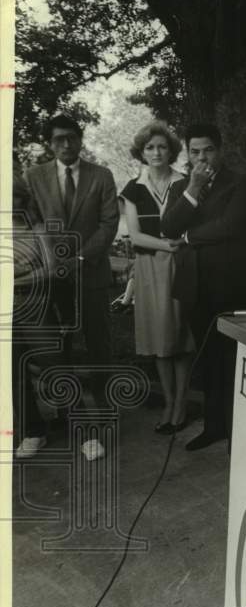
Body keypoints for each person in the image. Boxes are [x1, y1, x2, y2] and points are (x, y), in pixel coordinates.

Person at [160, 122, 246, 452]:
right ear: (187, 154)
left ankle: (240, 431)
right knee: (207, 359)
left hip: (232, 284)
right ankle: (214, 426)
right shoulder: (181, 188)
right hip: (194, 286)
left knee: (234, 358)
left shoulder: (241, 183)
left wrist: (190, 237)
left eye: (208, 150)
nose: (202, 157)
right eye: (195, 151)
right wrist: (193, 189)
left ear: (220, 149)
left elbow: (230, 226)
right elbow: (168, 227)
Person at [24, 113, 119, 461]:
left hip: (91, 274)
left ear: (80, 139)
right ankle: (68, 411)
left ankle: (107, 411)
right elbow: (32, 220)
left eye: (72, 137)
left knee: (98, 342)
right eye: (59, 139)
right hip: (51, 277)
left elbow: (109, 223)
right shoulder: (34, 177)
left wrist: (79, 260)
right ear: (50, 143)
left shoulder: (101, 176)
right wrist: (52, 261)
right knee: (58, 346)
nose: (66, 144)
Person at [119, 121, 195, 433]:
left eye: (162, 146)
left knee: (180, 336)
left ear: (172, 151)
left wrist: (179, 245)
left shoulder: (186, 182)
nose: (156, 152)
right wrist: (167, 244)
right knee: (158, 339)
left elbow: (193, 225)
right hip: (150, 268)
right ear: (141, 152)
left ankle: (181, 403)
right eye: (150, 147)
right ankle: (168, 401)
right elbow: (136, 237)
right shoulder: (133, 188)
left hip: (182, 267)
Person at [12, 176, 51, 458]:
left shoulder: (36, 228)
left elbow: (51, 270)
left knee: (55, 365)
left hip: (36, 303)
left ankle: (87, 430)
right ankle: (33, 432)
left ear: (22, 197)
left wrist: (16, 277)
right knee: (14, 373)